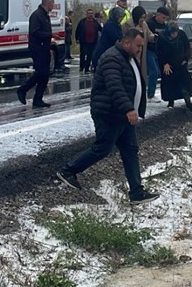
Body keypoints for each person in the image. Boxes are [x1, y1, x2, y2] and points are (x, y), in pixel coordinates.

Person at [55, 28, 159, 204]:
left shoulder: (128, 57)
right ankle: (67, 171)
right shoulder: (112, 58)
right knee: (102, 148)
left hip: (122, 116)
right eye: (138, 46)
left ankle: (136, 192)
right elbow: (115, 86)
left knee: (130, 151)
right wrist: (128, 108)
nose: (140, 50)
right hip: (109, 113)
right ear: (126, 43)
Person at [15, 0, 55, 107]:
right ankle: (23, 89)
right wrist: (49, 35)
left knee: (45, 75)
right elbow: (34, 32)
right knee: (41, 73)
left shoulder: (45, 15)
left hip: (45, 48)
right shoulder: (37, 16)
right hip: (38, 49)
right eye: (52, 3)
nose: (53, 5)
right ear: (47, 3)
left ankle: (38, 99)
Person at [157, 20, 192, 112]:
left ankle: (189, 103)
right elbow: (159, 52)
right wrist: (164, 63)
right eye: (172, 33)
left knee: (184, 86)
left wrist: (185, 59)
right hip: (168, 65)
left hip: (180, 64)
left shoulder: (182, 35)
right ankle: (171, 102)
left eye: (176, 32)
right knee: (170, 84)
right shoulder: (162, 37)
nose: (174, 35)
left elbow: (187, 48)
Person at [123, 6, 152, 93]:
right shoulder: (127, 25)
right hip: (131, 52)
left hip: (141, 52)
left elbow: (149, 33)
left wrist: (154, 37)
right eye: (141, 17)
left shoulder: (144, 24)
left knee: (140, 73)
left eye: (144, 17)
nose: (142, 19)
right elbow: (124, 37)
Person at [145, 6, 170, 99]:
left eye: (166, 19)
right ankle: (150, 95)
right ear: (158, 15)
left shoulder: (165, 26)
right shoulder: (150, 24)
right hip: (150, 50)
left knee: (159, 72)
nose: (164, 20)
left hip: (159, 52)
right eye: (163, 18)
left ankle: (149, 89)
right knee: (154, 72)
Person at [92, 7, 125, 73]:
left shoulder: (116, 25)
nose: (121, 19)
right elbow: (116, 39)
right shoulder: (110, 25)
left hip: (108, 54)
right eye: (120, 17)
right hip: (103, 54)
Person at [74, 9, 102, 73]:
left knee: (90, 55)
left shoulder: (95, 22)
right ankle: (81, 67)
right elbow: (77, 31)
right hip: (83, 41)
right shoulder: (82, 22)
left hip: (93, 41)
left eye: (91, 13)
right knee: (83, 54)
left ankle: (87, 68)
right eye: (89, 13)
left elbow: (101, 29)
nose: (90, 14)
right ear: (86, 14)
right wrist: (77, 39)